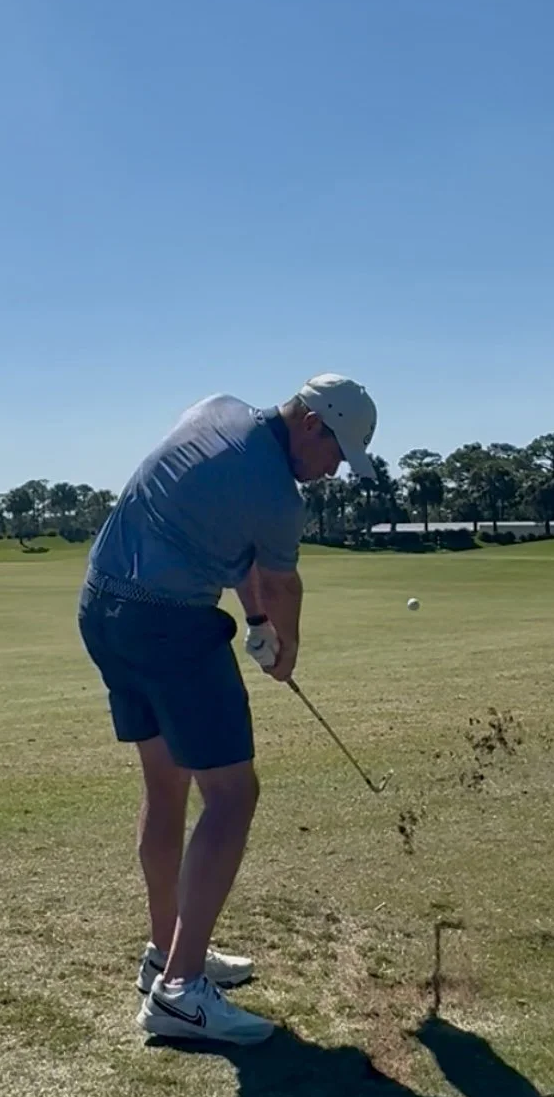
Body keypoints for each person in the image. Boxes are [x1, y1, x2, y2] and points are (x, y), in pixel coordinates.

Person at [77, 373, 378, 1045]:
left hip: (102, 608)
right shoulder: (278, 496)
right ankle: (181, 994)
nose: (331, 472)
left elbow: (231, 547)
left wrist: (254, 619)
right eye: (335, 453)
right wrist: (285, 647)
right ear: (311, 423)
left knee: (167, 785)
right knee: (233, 796)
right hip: (166, 625)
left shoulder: (218, 411)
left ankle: (168, 952)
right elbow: (279, 577)